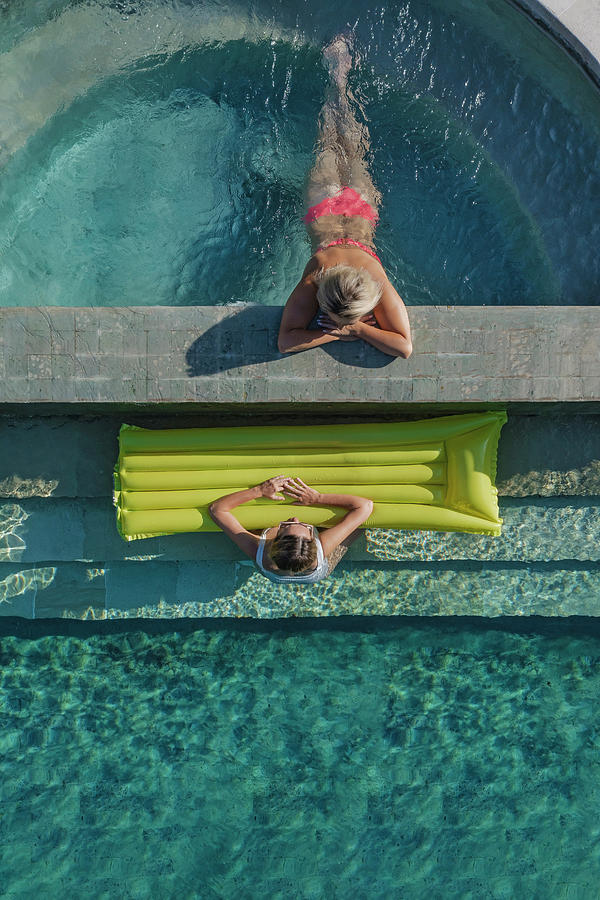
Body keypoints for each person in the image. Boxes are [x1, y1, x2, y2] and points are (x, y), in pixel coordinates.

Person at [278, 36, 412, 359]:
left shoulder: (324, 277)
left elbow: (287, 339)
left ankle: (338, 78)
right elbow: (402, 345)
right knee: (332, 142)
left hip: (360, 210)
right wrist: (346, 331)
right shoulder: (326, 279)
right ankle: (338, 79)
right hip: (324, 212)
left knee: (345, 146)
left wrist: (351, 328)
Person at [208, 475, 373, 584]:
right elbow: (365, 506)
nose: (295, 518)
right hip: (309, 573)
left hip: (276, 575)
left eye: (286, 526)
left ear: (275, 538)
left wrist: (258, 491)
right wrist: (318, 498)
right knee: (354, 529)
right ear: (313, 538)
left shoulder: (258, 548)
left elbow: (217, 509)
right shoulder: (322, 547)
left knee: (356, 530)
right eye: (303, 525)